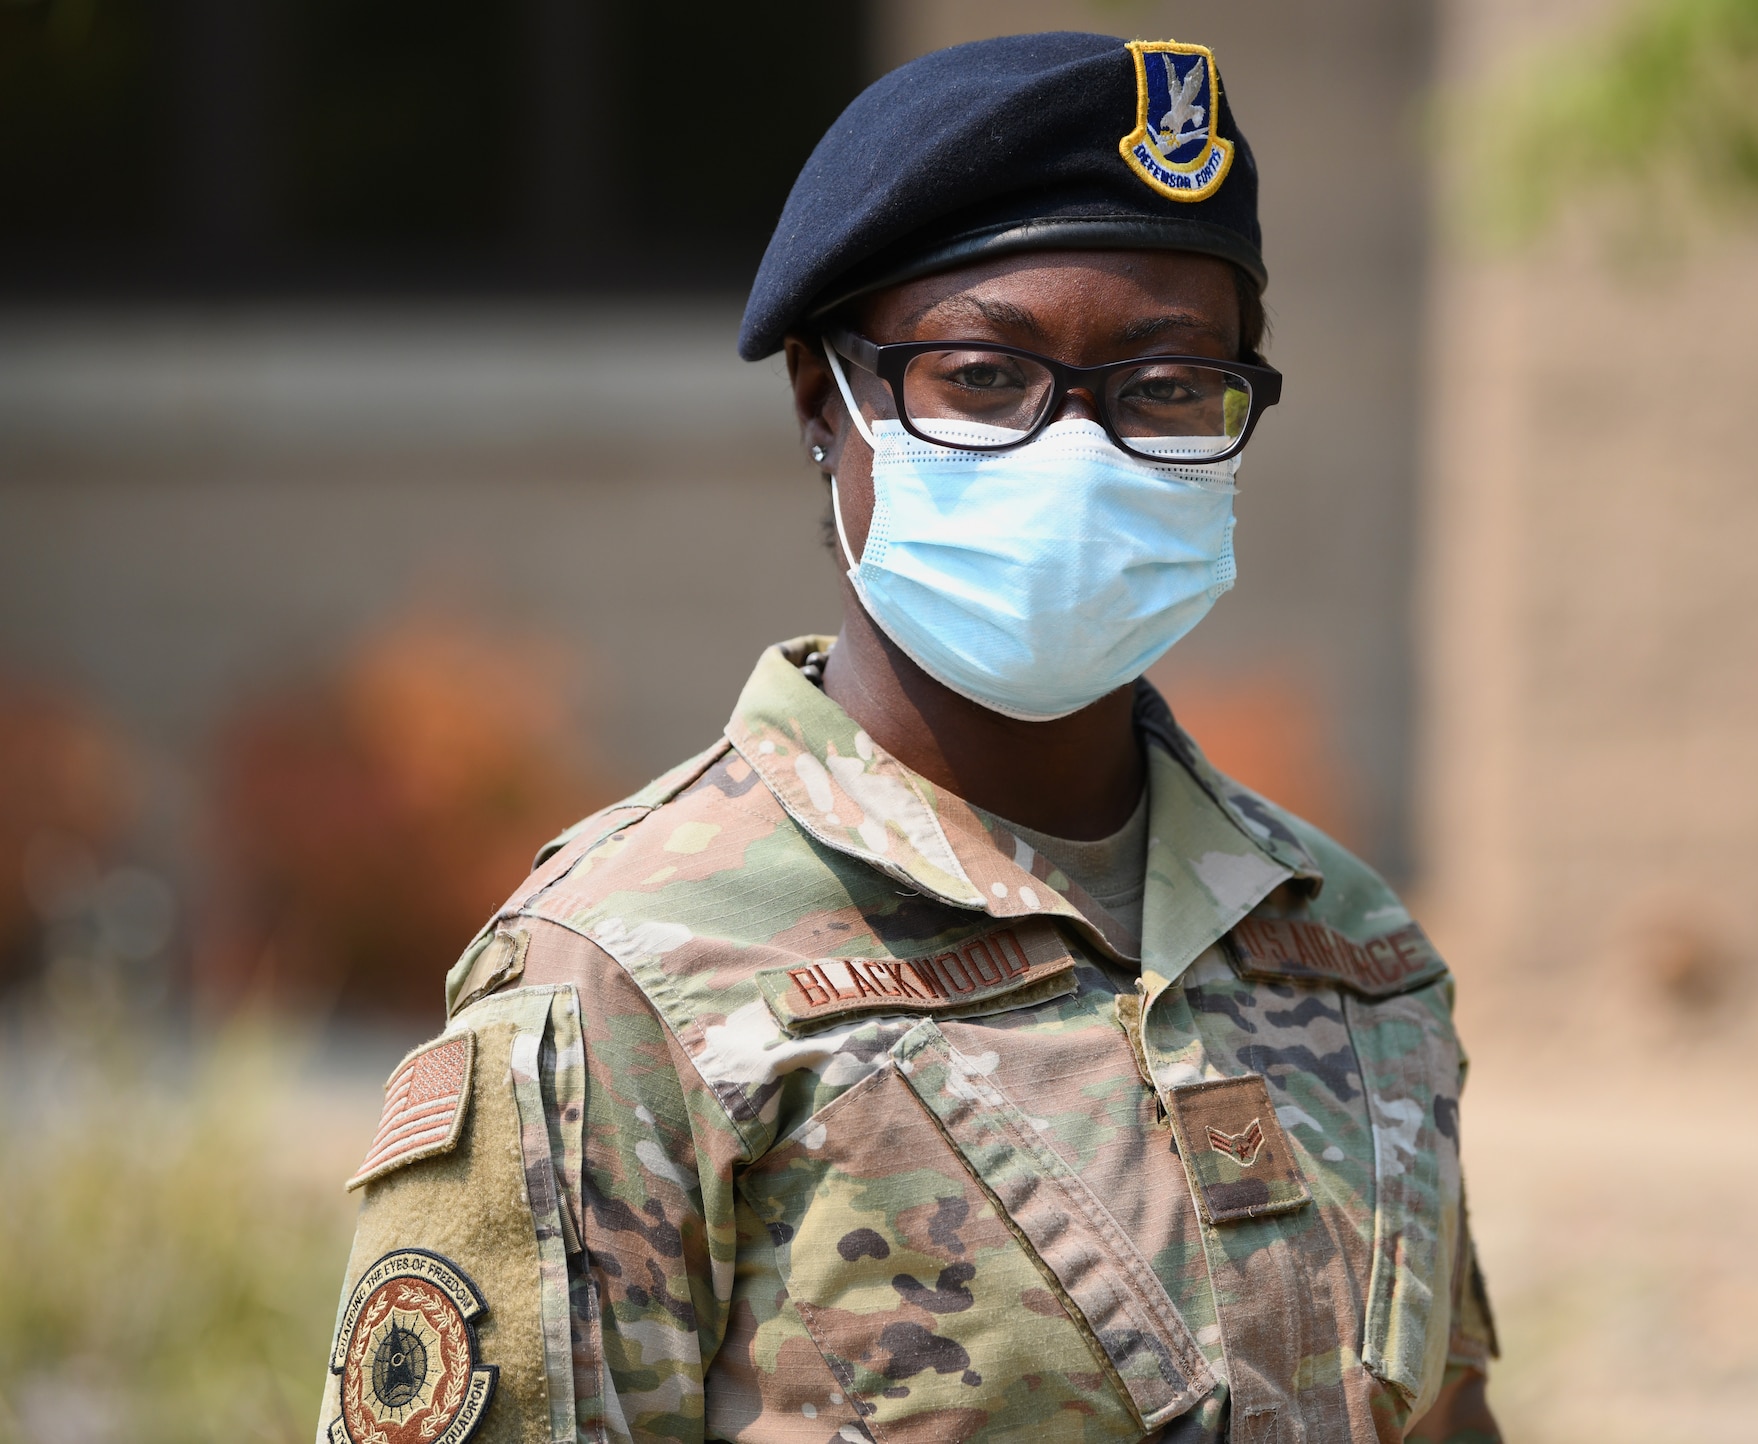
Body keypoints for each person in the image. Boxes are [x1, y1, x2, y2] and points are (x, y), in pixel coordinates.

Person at [318, 31, 1501, 1444]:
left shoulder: (1354, 952)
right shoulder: (629, 980)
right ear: (832, 406)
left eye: (1169, 387)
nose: (1085, 454)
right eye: (988, 379)